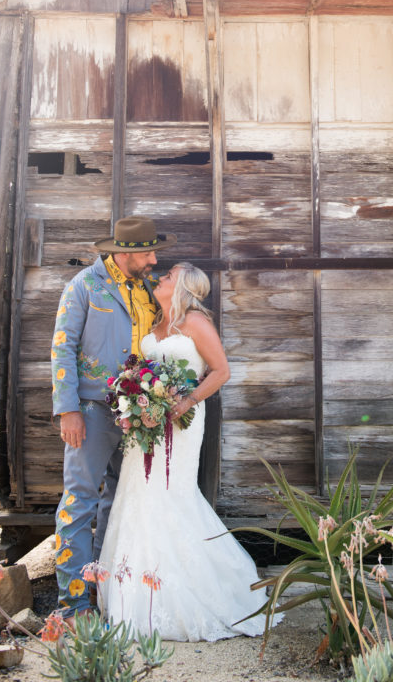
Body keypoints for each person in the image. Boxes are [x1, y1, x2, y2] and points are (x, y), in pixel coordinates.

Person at [98, 262, 272, 641]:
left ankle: (184, 593)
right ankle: (136, 593)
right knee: (136, 494)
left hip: (181, 423)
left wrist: (187, 399)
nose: (161, 276)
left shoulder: (195, 322)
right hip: (147, 426)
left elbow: (221, 370)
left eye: (169, 274)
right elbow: (145, 370)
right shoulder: (156, 326)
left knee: (169, 494)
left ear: (185, 287)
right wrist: (133, 397)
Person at [51, 216, 176, 619]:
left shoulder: (146, 289)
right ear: (123, 253)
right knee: (80, 502)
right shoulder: (84, 286)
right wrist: (68, 409)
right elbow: (62, 347)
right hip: (89, 410)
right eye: (147, 252)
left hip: (136, 414)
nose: (154, 258)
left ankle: (105, 596)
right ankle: (73, 607)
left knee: (118, 503)